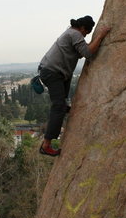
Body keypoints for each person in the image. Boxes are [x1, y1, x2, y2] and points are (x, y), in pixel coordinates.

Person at [38, 16, 111, 156]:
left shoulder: (70, 32)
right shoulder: (75, 34)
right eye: (86, 33)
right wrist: (101, 35)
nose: (85, 36)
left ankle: (64, 108)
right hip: (53, 73)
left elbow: (82, 51)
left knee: (62, 102)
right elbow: (88, 53)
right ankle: (46, 145)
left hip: (54, 72)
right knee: (58, 106)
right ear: (83, 28)